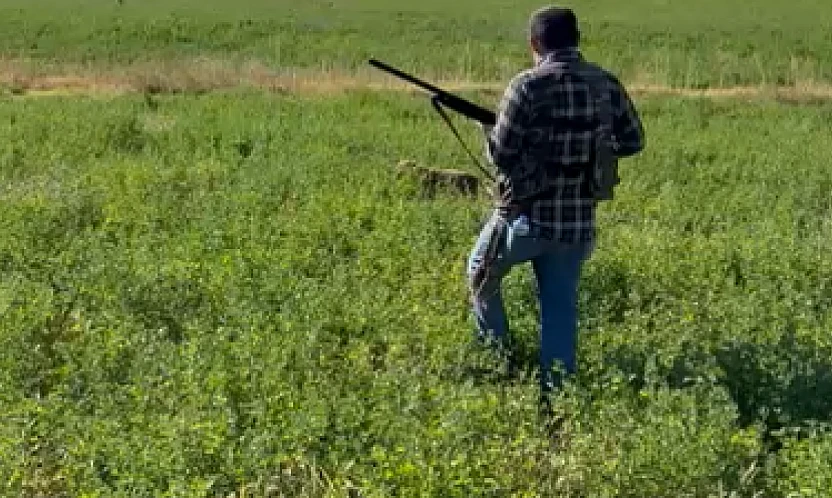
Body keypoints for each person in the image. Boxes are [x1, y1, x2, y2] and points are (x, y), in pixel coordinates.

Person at [467, 6, 645, 397]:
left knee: (480, 273)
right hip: (578, 223)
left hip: (526, 218)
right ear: (577, 39)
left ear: (534, 43)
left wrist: (487, 129)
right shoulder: (606, 84)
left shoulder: (525, 86)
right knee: (559, 308)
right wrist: (594, 151)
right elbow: (633, 141)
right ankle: (557, 395)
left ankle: (499, 360)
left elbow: (502, 155)